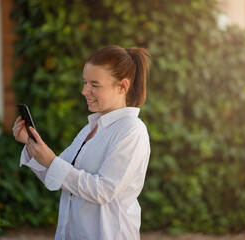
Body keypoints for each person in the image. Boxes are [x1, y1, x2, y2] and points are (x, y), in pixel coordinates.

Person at [12, 45, 151, 240]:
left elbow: (104, 190)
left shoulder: (131, 130)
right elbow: (57, 177)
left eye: (95, 84)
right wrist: (31, 145)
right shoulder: (91, 128)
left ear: (122, 86)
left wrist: (52, 162)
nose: (85, 91)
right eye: (85, 82)